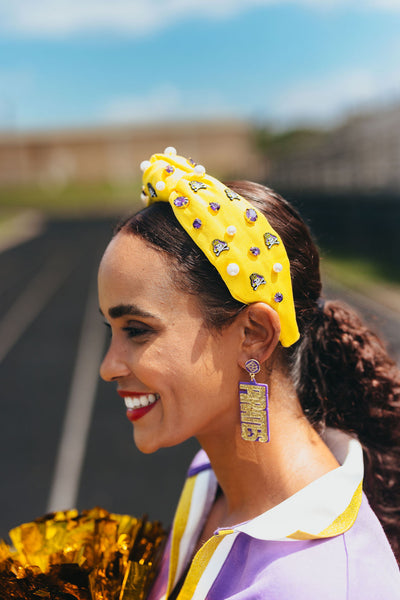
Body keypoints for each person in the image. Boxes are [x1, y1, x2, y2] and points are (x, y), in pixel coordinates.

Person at [98, 147, 400, 599]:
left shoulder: (326, 585)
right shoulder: (210, 476)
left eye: (137, 330)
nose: (108, 367)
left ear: (254, 335)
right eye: (111, 330)